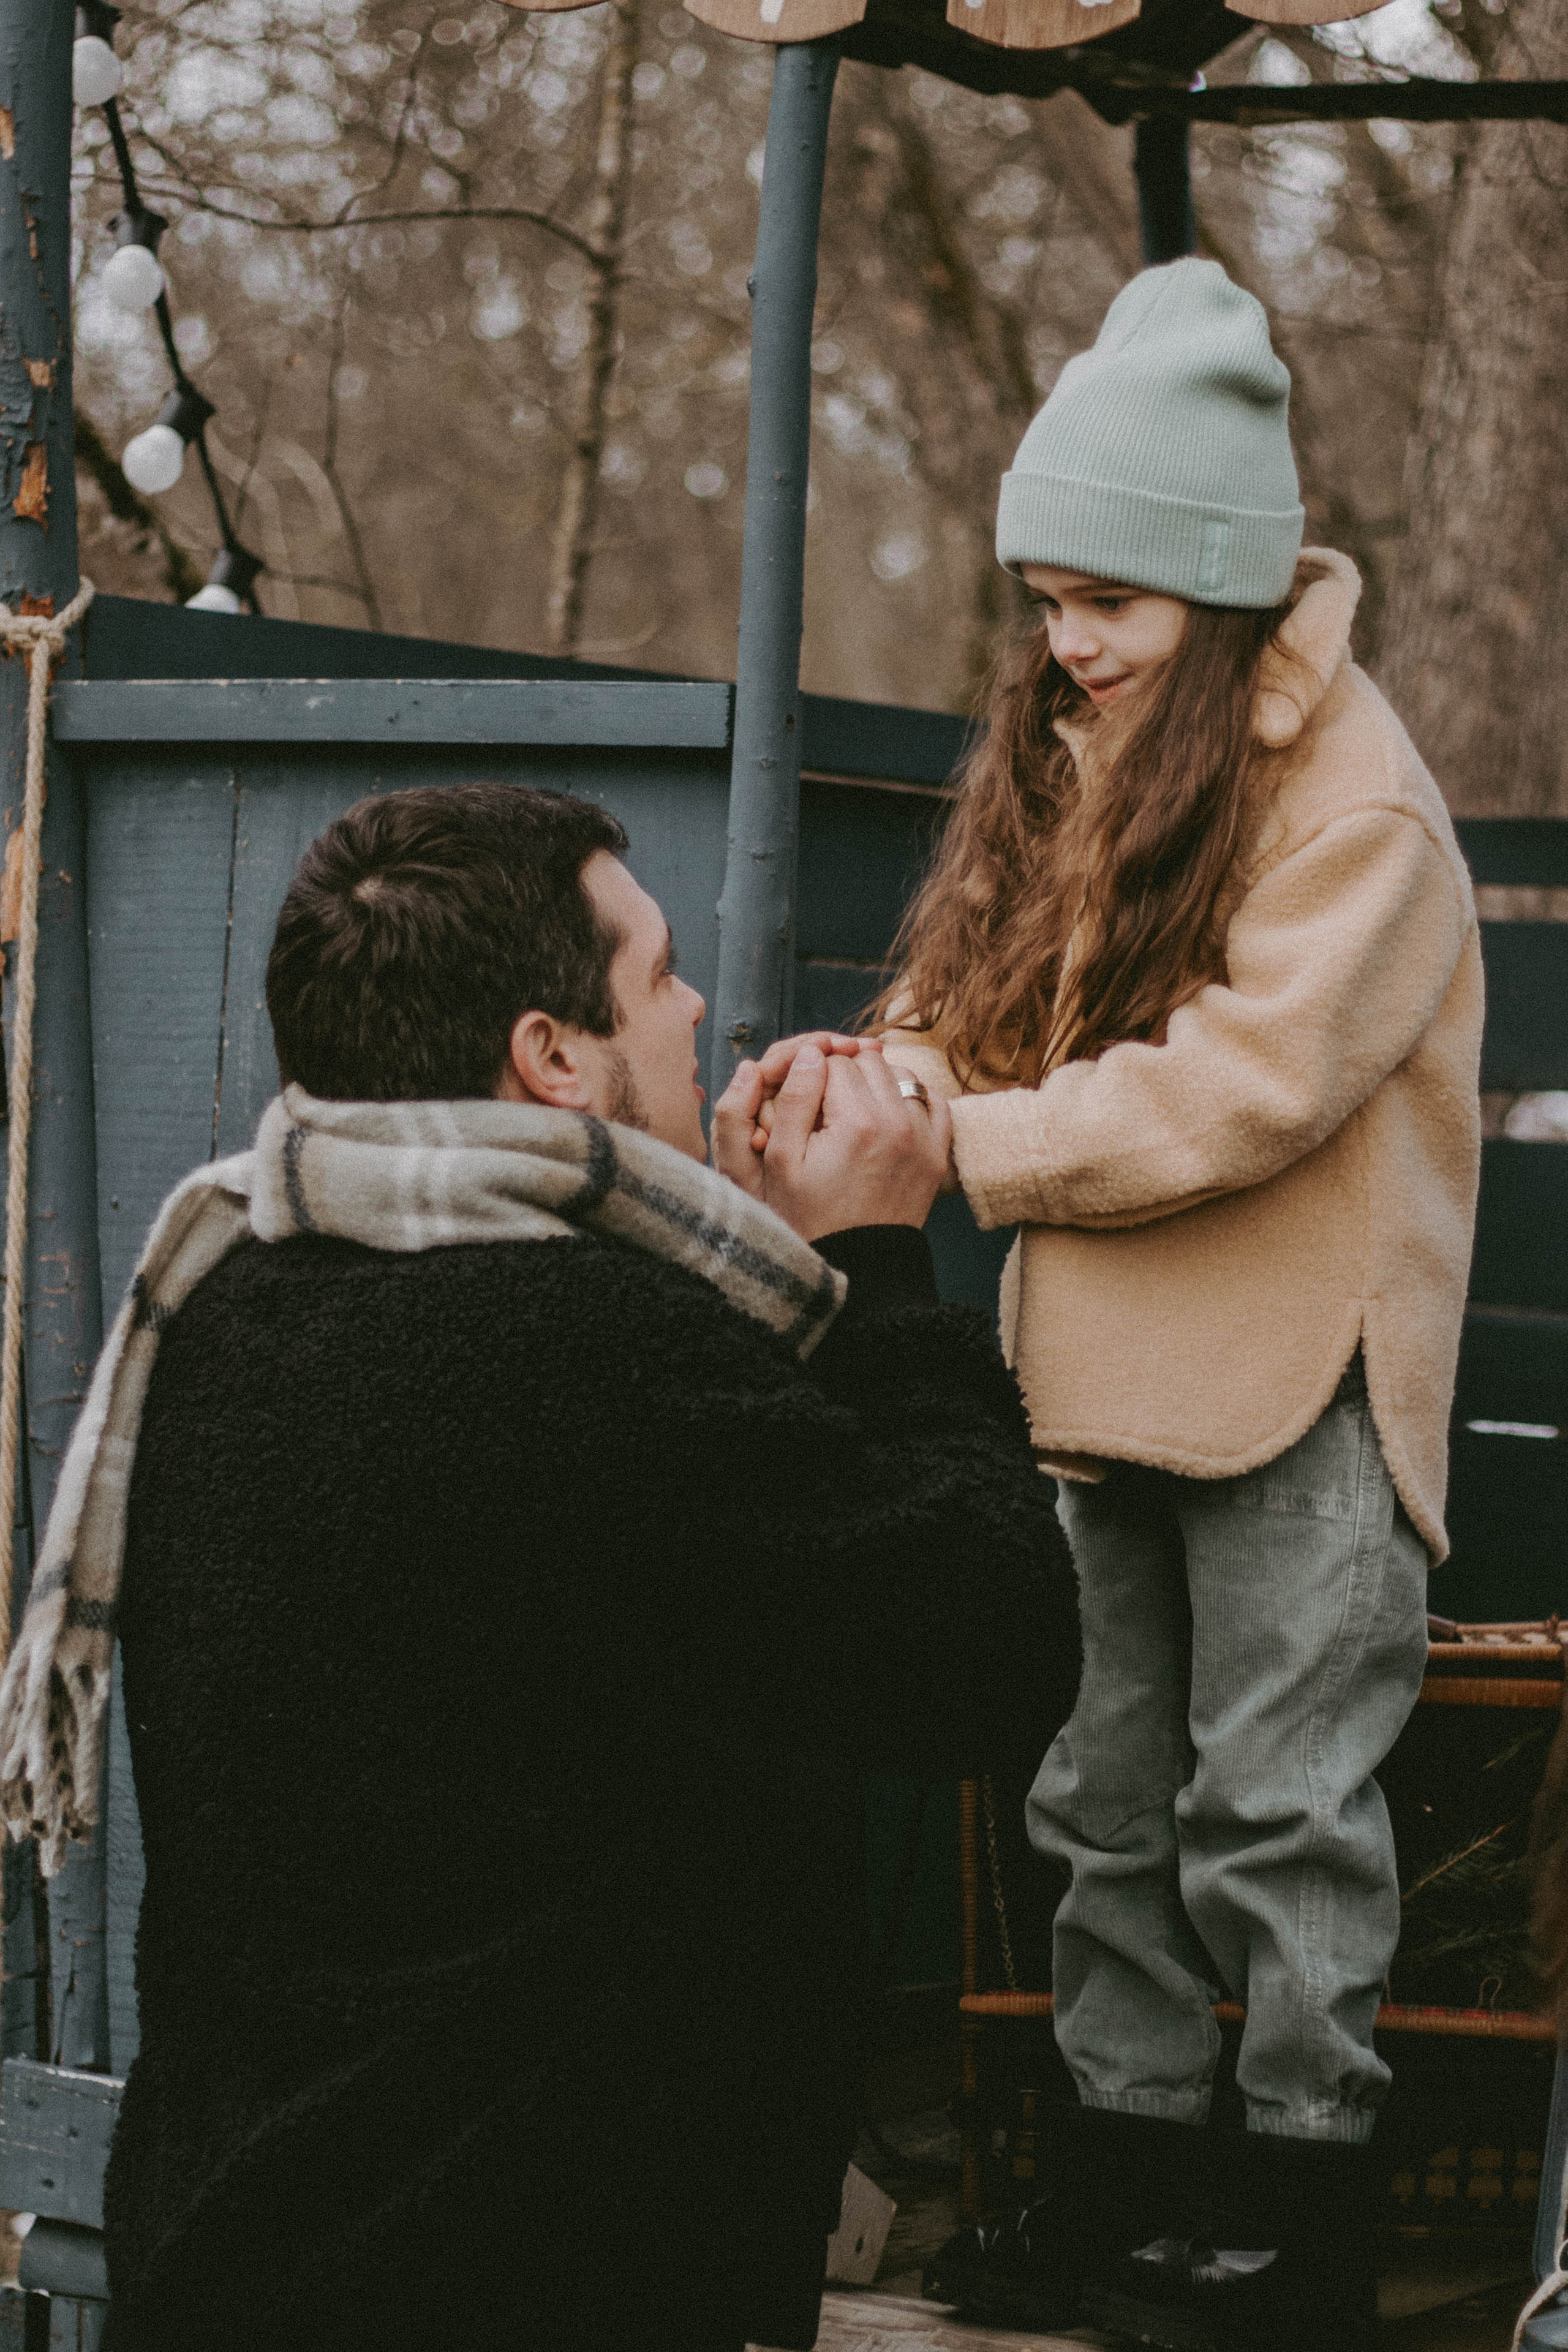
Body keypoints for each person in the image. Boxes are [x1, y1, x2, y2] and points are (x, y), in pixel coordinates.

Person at [0, 783, 1079, 2352]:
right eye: (658, 974)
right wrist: (873, 1261)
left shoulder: (232, 1295)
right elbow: (985, 1646)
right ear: (550, 1056)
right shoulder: (588, 1350)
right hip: (515, 2276)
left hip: (249, 2246)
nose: (696, 1008)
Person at [752, 261, 1483, 2350]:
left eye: (1110, 601)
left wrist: (951, 1156)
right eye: (1049, 601)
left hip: (1300, 1387)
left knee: (1279, 1816)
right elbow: (972, 1004)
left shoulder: (1360, 809)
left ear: (1223, 585)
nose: (1065, 643)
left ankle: (1298, 2225)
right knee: (1096, 1804)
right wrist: (859, 1089)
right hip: (1092, 1381)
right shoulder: (1092, 756)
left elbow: (1242, 1093)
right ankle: (1130, 2190)